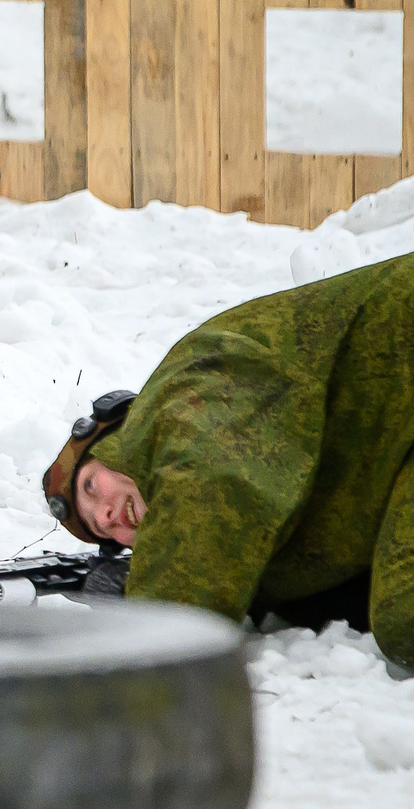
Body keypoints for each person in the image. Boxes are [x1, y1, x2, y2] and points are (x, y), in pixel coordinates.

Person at [43, 253, 413, 665]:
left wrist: (146, 615)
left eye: (91, 485)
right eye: (100, 527)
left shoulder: (186, 392)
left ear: (117, 436)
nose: (107, 516)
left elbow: (212, 484)